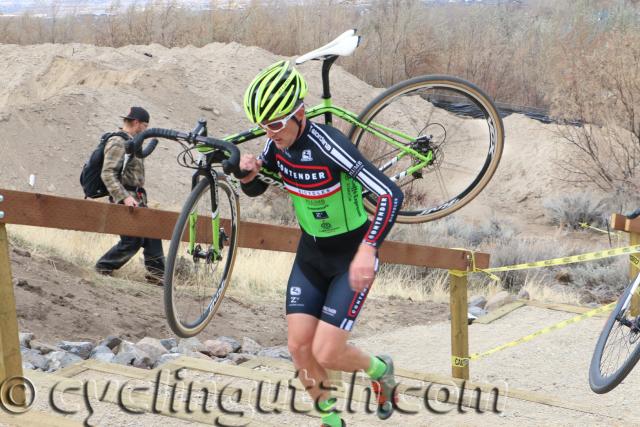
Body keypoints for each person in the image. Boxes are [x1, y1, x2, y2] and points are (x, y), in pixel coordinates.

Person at [239, 61, 404, 426]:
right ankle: (332, 422)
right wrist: (248, 173)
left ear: (300, 112)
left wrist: (369, 248)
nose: (270, 132)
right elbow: (257, 187)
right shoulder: (274, 146)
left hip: (350, 257)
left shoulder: (330, 146)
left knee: (327, 352)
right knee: (298, 348)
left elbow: (391, 195)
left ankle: (380, 370)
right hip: (311, 256)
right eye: (264, 125)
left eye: (277, 123)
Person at [95, 107, 165, 285]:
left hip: (135, 197)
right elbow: (107, 173)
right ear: (136, 123)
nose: (146, 130)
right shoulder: (118, 142)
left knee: (151, 231)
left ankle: (158, 275)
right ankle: (102, 268)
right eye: (145, 125)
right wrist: (124, 197)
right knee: (132, 240)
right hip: (125, 198)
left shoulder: (132, 142)